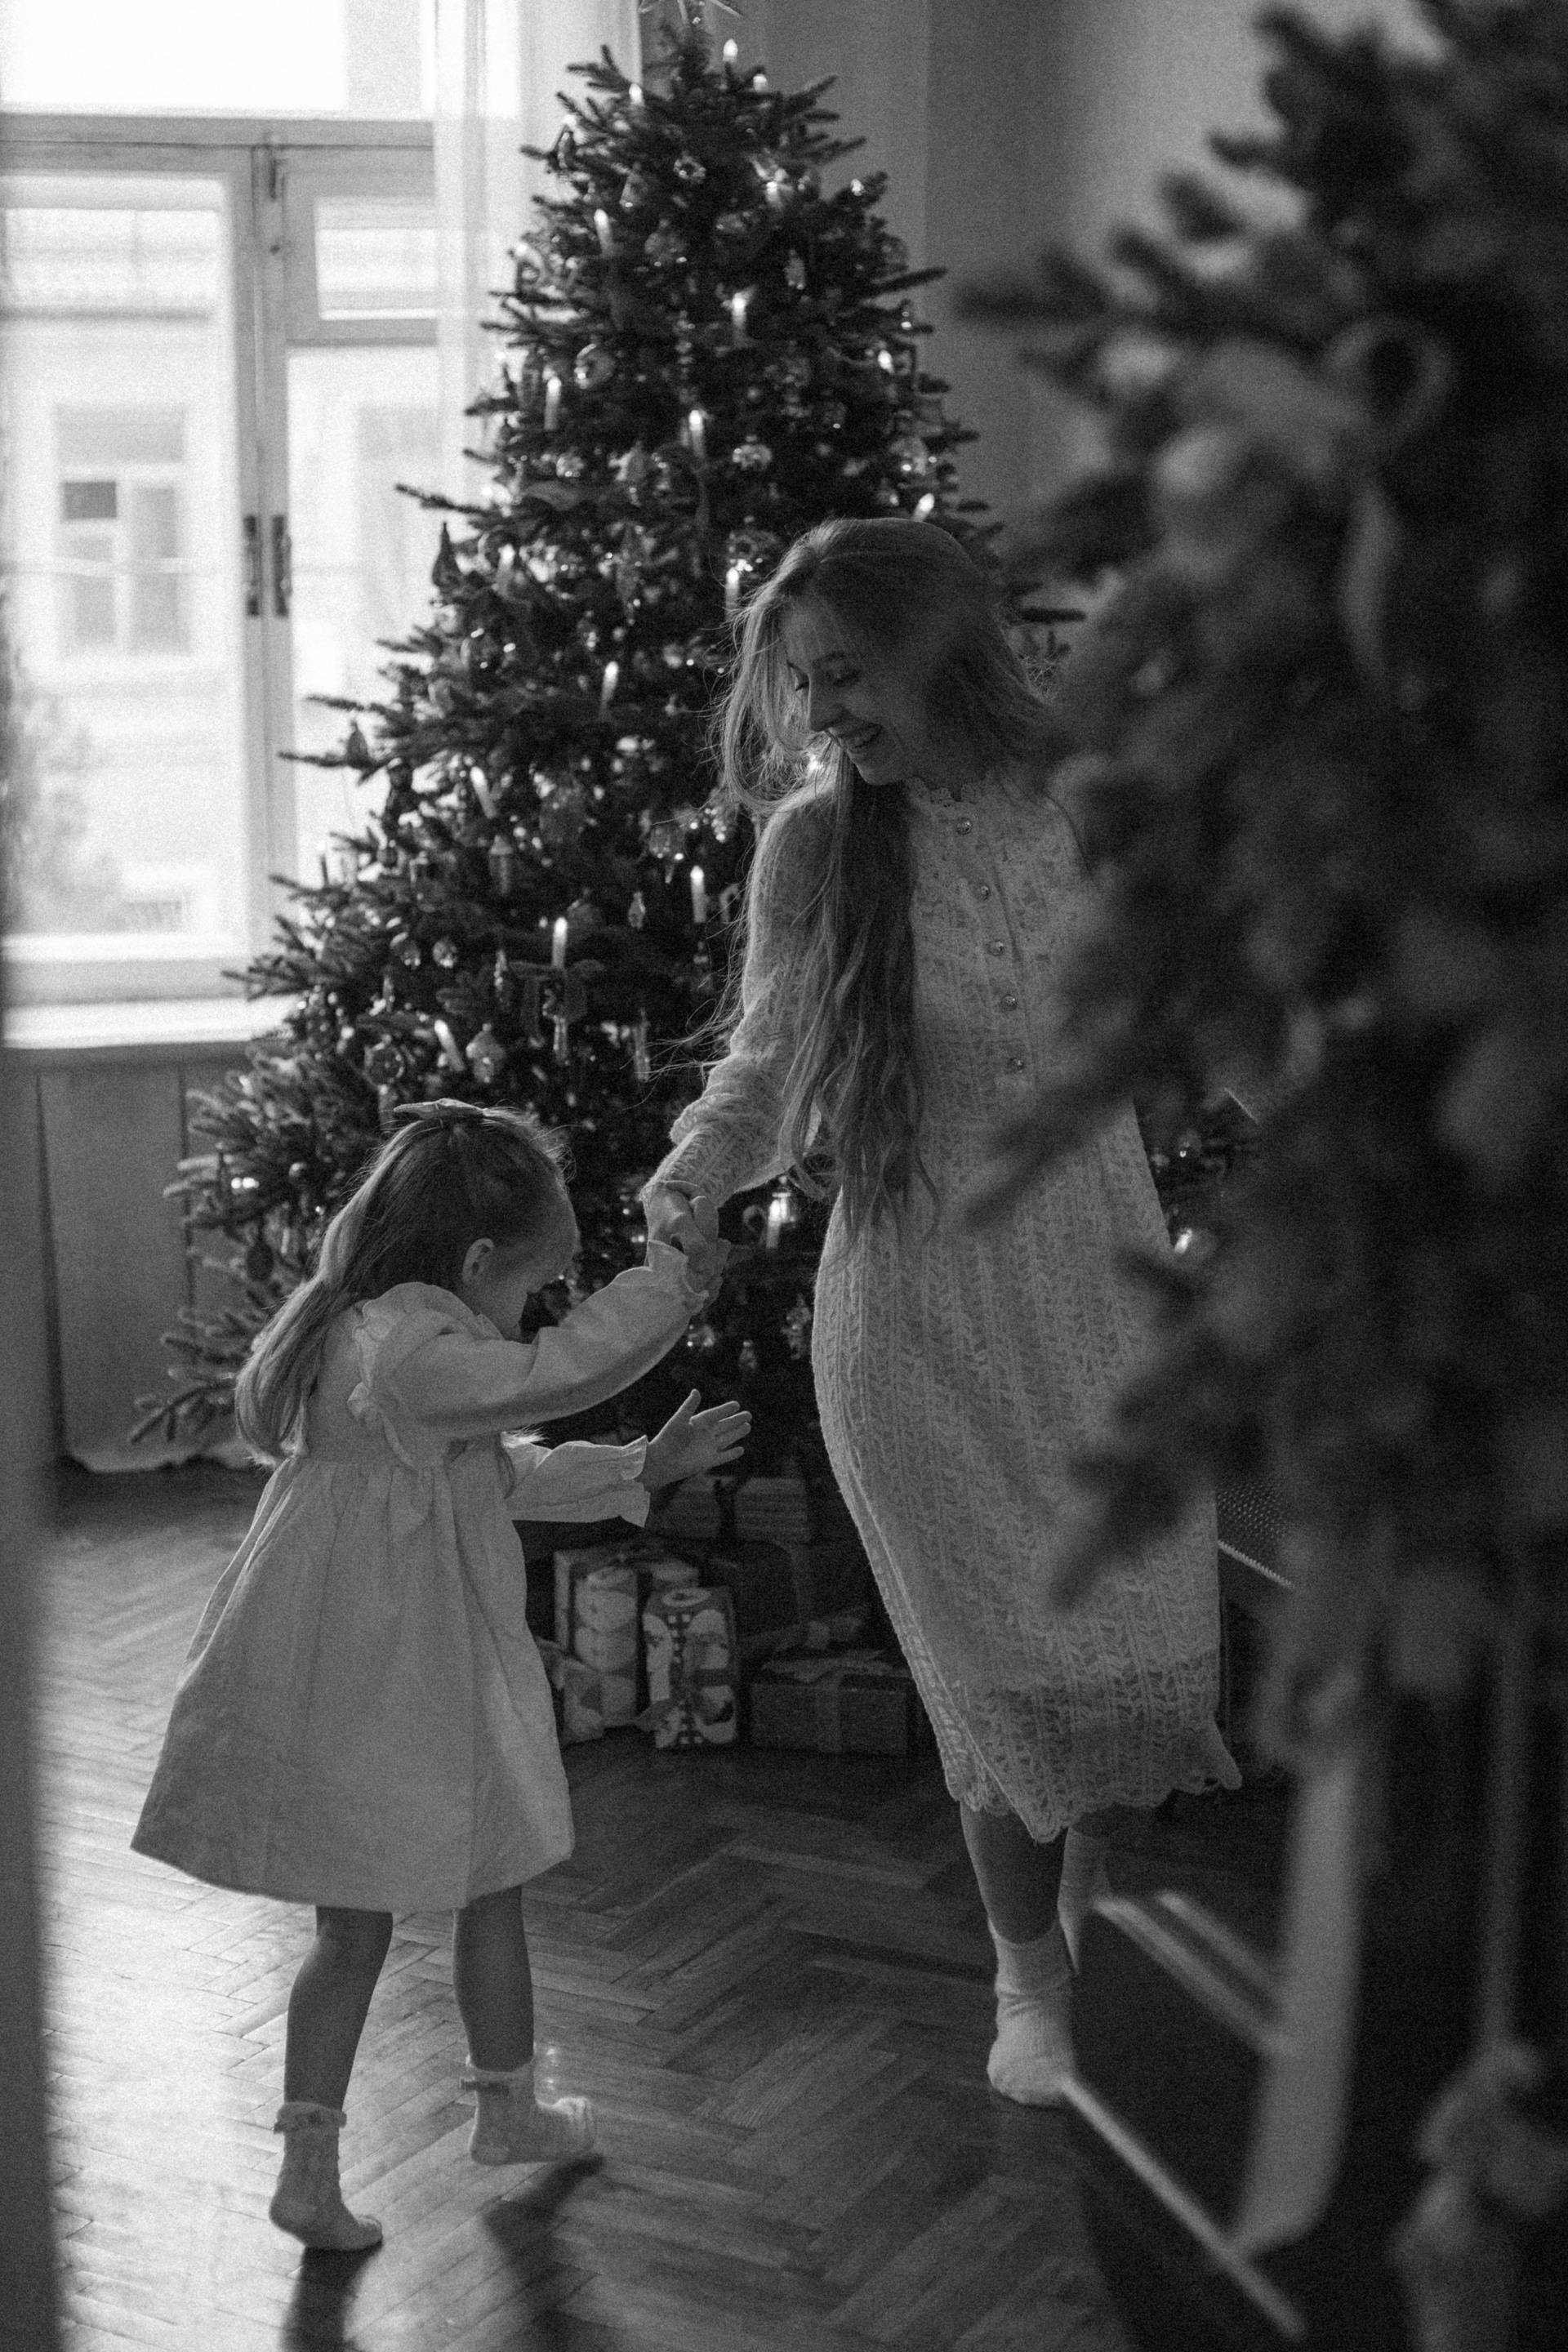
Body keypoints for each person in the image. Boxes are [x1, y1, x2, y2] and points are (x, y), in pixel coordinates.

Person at [644, 518, 1237, 2107]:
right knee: (1001, 1686)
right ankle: (1025, 1981)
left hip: (1108, 1297)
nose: (821, 713)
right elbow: (766, 1066)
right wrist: (694, 1174)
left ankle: (1092, 1954)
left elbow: (1210, 1008)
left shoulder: (1090, 808)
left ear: (938, 649)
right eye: (801, 684)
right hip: (915, 1319)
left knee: (1135, 1681)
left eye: (847, 673)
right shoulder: (817, 850)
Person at [131, 1100, 746, 2252]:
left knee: (481, 1880)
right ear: (473, 1263)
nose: (532, 1314)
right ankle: (311, 2168)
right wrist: (672, 1283)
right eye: (532, 1287)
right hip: (380, 1679)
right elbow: (552, 1375)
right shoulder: (410, 1351)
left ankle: (504, 2111)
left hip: (407, 1668)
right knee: (364, 1922)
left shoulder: (396, 1339)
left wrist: (638, 1466)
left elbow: (496, 1473)